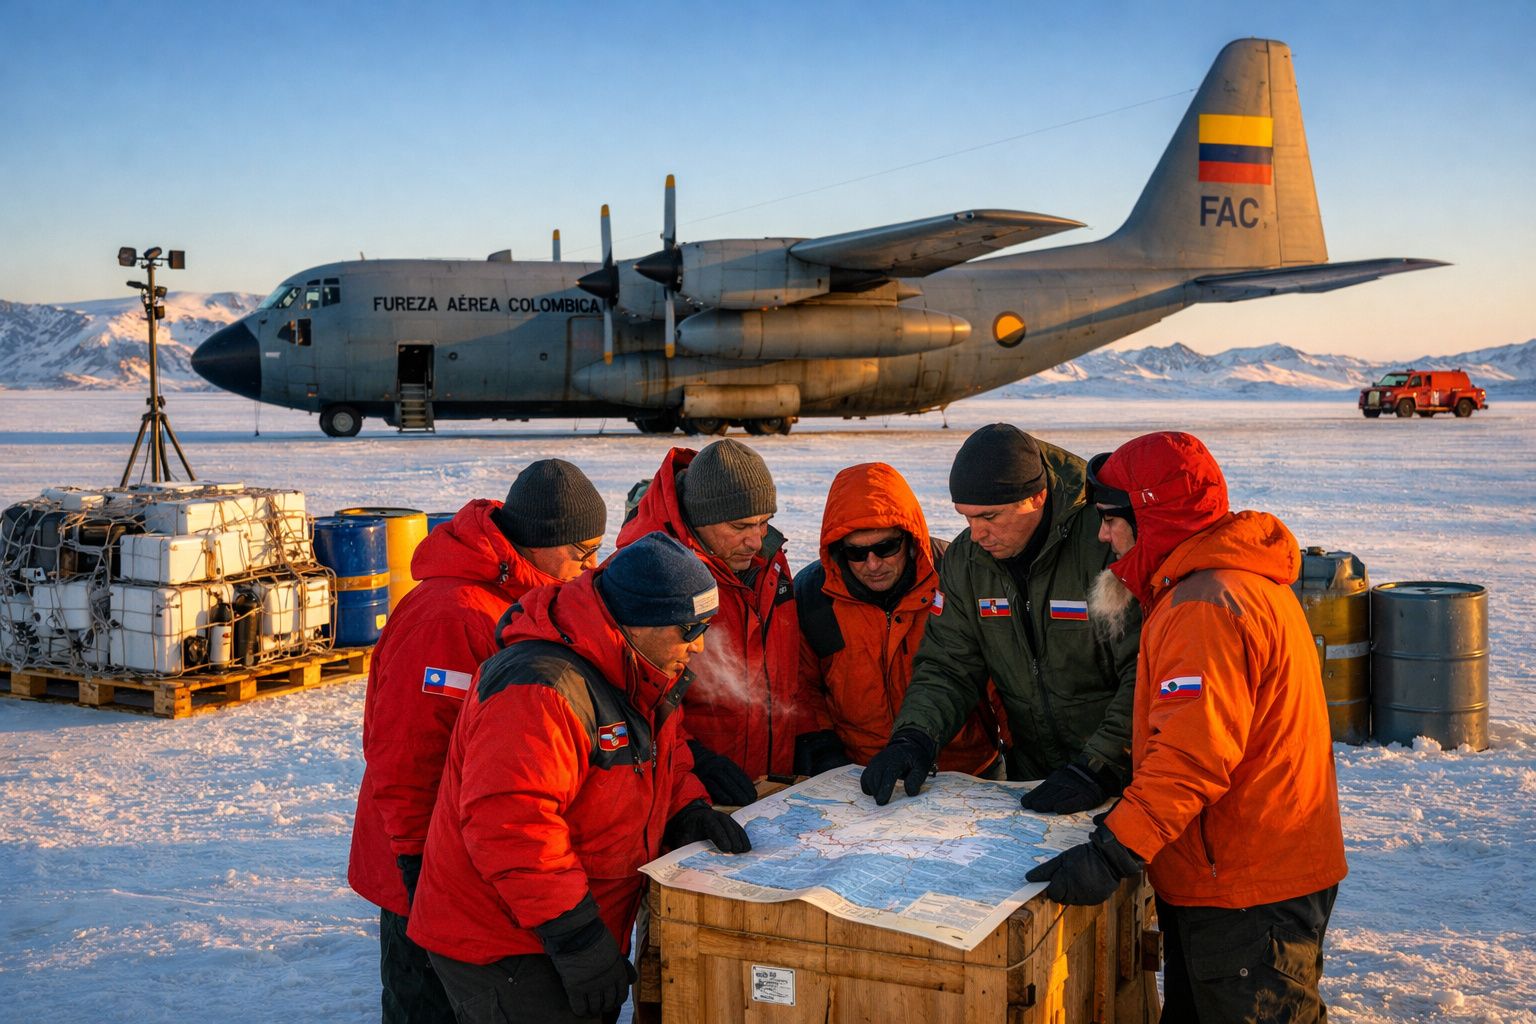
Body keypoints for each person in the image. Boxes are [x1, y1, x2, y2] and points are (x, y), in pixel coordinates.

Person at [1025, 431, 1346, 1022]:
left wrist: (1112, 852)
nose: (1102, 536)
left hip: (1246, 889)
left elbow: (1191, 756)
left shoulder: (1204, 606)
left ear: (1154, 516)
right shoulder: (1221, 584)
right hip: (1242, 871)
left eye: (1111, 520)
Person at [406, 531, 750, 1024]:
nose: (697, 646)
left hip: (573, 926)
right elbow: (513, 828)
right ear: (636, 621)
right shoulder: (540, 689)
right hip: (509, 944)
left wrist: (688, 812)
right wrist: (579, 941)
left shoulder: (642, 668)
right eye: (688, 628)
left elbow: (662, 760)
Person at [348, 459, 608, 1024]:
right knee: (428, 1007)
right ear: (538, 542)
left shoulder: (531, 600)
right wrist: (417, 867)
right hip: (421, 865)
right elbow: (407, 758)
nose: (590, 568)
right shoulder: (451, 616)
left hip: (474, 857)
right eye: (582, 552)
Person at [861, 423, 1140, 812]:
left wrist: (1099, 767)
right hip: (1035, 777)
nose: (976, 534)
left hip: (1123, 779)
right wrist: (915, 736)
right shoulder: (967, 562)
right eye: (967, 518)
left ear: (1037, 497)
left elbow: (1144, 670)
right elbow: (949, 664)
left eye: (989, 517)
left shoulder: (1107, 543)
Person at [616, 438, 811, 804]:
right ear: (699, 519)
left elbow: (790, 669)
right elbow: (632, 702)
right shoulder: (648, 575)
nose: (755, 540)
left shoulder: (768, 563)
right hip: (689, 793)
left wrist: (810, 735)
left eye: (764, 523)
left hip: (767, 790)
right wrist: (697, 763)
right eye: (740, 526)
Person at [794, 461, 1007, 776]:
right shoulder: (814, 593)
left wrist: (1026, 759)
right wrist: (822, 748)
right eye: (857, 553)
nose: (873, 563)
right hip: (860, 774)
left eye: (886, 547)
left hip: (965, 772)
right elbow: (802, 685)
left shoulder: (957, 576)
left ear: (909, 540)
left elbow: (1004, 678)